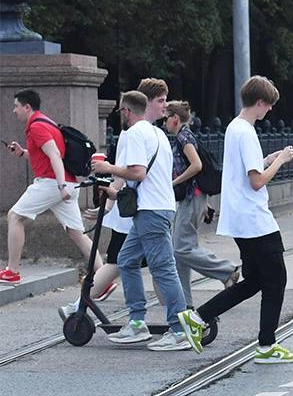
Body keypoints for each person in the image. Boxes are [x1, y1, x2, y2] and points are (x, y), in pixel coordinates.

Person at [178, 76, 293, 362]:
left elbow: (247, 170)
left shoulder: (235, 128)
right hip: (254, 219)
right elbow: (256, 182)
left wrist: (266, 159)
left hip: (240, 219)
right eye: (268, 106)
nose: (269, 111)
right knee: (276, 280)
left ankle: (199, 317)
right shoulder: (246, 132)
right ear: (260, 102)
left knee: (255, 280)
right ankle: (266, 346)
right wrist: (280, 161)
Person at [92, 90, 191, 351]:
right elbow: (152, 177)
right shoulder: (157, 133)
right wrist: (116, 193)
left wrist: (108, 169)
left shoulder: (136, 133)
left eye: (120, 113)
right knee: (126, 260)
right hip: (153, 208)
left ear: (126, 111)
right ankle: (137, 322)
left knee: (163, 268)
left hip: (152, 211)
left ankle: (180, 329)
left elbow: (138, 173)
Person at [3, 89, 102, 285]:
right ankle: (101, 277)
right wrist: (23, 153)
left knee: (14, 216)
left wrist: (61, 185)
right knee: (76, 233)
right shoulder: (46, 122)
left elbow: (55, 154)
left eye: (16, 106)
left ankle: (12, 270)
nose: (14, 111)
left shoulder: (36, 127)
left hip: (52, 183)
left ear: (27, 107)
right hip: (67, 183)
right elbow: (47, 155)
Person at [164, 101, 238, 307]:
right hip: (193, 198)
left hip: (191, 198)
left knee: (182, 249)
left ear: (175, 119)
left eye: (166, 118)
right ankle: (185, 302)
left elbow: (197, 165)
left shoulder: (184, 137)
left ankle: (226, 270)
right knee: (179, 250)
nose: (164, 123)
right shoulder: (185, 136)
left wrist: (173, 182)